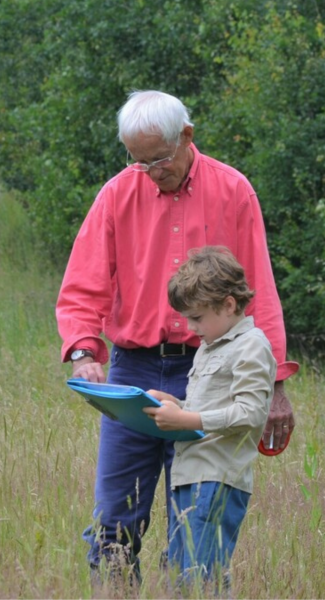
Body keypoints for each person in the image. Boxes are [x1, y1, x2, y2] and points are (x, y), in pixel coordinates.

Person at [56, 90, 298, 582]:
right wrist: (84, 350)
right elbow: (83, 283)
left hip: (212, 370)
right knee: (115, 518)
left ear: (186, 136)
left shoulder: (233, 189)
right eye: (138, 161)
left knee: (195, 520)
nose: (149, 171)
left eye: (159, 159)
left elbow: (261, 292)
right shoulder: (118, 193)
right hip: (133, 372)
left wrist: (275, 386)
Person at [143, 245, 277, 592]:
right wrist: (174, 403)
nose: (190, 328)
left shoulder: (252, 345)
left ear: (229, 305)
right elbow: (211, 404)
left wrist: (186, 420)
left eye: (197, 318)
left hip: (217, 479)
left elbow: (250, 412)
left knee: (202, 581)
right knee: (178, 576)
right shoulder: (209, 346)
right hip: (188, 476)